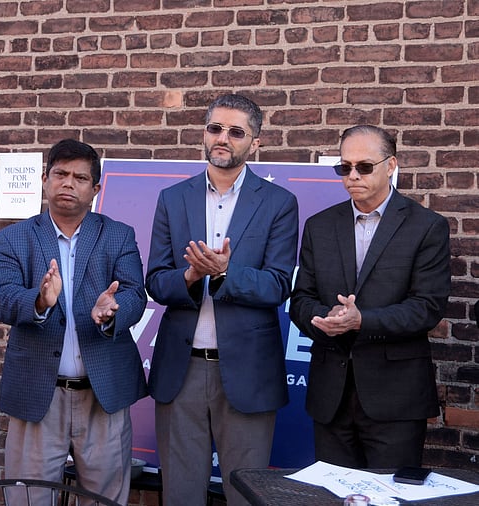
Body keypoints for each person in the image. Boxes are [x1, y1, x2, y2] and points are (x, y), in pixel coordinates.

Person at [145, 94, 299, 505]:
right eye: (215, 128)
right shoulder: (172, 198)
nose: (223, 138)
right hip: (182, 370)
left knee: (246, 494)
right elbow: (157, 282)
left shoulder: (280, 203)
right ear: (203, 132)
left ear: (256, 142)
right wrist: (192, 276)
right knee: (180, 493)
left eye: (236, 132)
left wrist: (226, 273)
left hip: (247, 371)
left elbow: (278, 285)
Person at [0, 139, 148, 504]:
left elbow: (134, 295)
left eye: (80, 178)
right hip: (37, 393)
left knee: (103, 499)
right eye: (60, 174)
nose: (68, 183)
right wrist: (38, 300)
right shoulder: (13, 238)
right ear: (45, 180)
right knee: (28, 498)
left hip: (102, 393)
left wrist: (112, 311)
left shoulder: (117, 235)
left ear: (95, 189)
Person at [290, 125, 450, 469]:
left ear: (390, 165)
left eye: (364, 166)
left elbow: (428, 307)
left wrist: (362, 320)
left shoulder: (426, 226)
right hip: (330, 394)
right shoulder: (319, 226)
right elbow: (300, 299)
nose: (352, 175)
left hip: (395, 398)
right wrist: (323, 319)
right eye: (344, 167)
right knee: (330, 495)